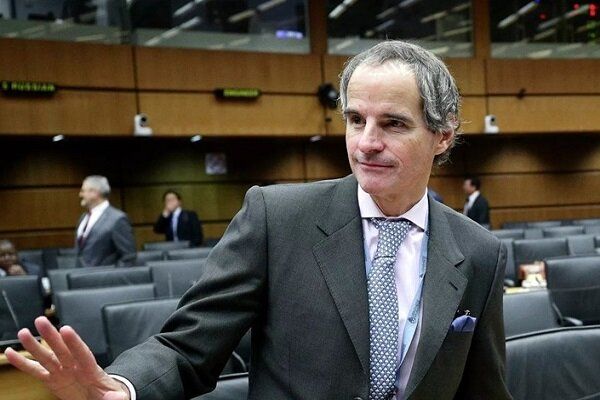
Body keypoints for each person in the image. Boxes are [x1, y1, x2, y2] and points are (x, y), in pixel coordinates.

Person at [5, 41, 510, 400]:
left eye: (393, 124)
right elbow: (187, 346)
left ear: (443, 135)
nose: (366, 142)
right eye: (356, 120)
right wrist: (123, 386)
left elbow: (483, 389)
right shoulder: (277, 218)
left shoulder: (479, 252)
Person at [74, 175, 136, 267]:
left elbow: (129, 257)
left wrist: (111, 275)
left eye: (83, 191)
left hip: (105, 275)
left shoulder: (117, 219)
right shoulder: (83, 218)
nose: (80, 195)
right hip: (80, 274)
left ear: (94, 192)